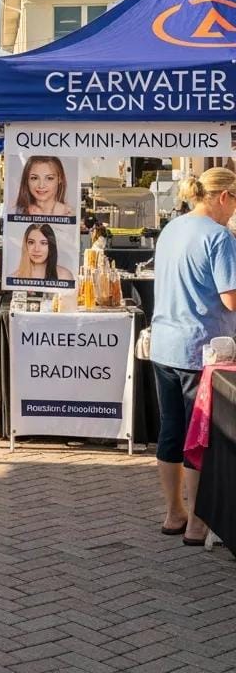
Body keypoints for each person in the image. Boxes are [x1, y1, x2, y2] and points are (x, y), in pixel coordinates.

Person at [151, 168, 236, 544]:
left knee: (170, 431)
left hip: (164, 344)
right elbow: (230, 298)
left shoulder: (173, 228)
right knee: (199, 437)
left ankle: (174, 513)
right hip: (200, 348)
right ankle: (197, 522)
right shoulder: (219, 237)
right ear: (223, 197)